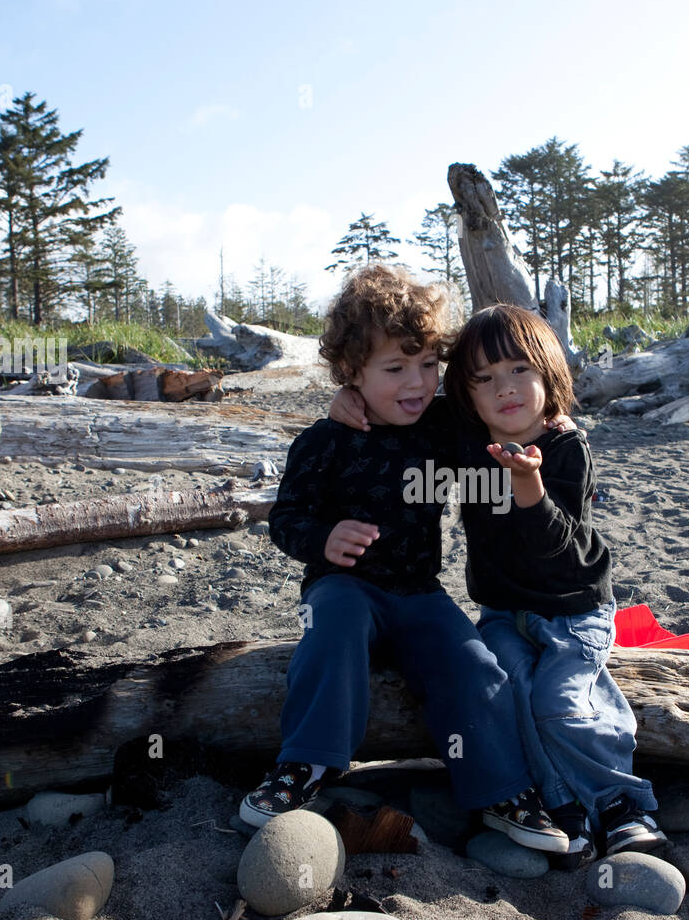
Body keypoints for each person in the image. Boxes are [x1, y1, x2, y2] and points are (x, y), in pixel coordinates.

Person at [239, 267, 569, 855]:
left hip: (419, 591)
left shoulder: (442, 426)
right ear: (351, 373)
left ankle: (501, 791)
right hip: (343, 588)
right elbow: (286, 518)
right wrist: (323, 539)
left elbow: (503, 406)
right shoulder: (323, 441)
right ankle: (307, 766)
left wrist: (555, 425)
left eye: (426, 364)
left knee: (474, 664)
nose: (416, 383)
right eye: (394, 369)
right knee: (331, 631)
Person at [332, 303, 666, 866]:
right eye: (483, 379)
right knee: (507, 695)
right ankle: (564, 808)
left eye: (519, 371)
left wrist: (529, 486)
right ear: (465, 392)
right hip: (502, 609)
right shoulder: (464, 434)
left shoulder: (564, 448)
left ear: (548, 374)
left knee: (561, 701)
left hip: (572, 609)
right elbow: (406, 403)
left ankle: (622, 806)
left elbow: (556, 546)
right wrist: (350, 399)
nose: (504, 390)